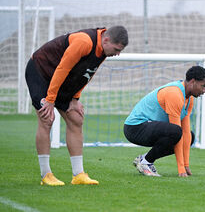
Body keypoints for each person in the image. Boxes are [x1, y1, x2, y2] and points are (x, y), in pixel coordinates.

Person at [25, 26, 129, 185]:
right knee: (47, 118)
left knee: (76, 119)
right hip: (41, 71)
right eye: (116, 49)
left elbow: (86, 74)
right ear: (106, 40)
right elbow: (63, 68)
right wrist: (50, 100)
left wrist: (75, 98)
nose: (118, 54)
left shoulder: (103, 50)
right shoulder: (84, 41)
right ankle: (46, 175)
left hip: (59, 78)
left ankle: (78, 175)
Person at [124, 66, 205, 177]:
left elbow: (185, 132)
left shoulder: (189, 99)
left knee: (190, 137)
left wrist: (186, 165)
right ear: (193, 82)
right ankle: (145, 162)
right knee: (175, 132)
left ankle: (144, 160)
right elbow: (177, 133)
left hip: (149, 128)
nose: (204, 91)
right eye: (203, 86)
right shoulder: (174, 93)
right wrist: (180, 170)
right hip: (134, 128)